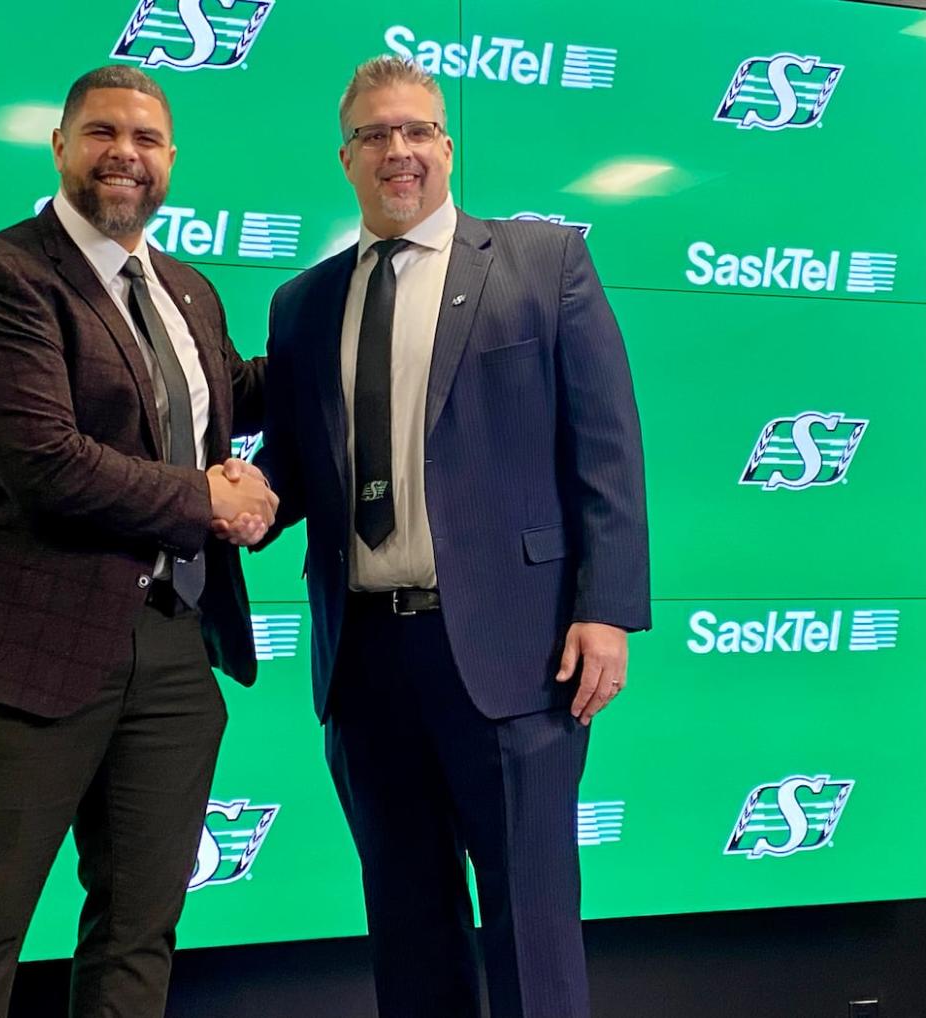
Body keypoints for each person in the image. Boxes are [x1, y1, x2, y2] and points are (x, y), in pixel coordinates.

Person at [253, 56, 650, 1018]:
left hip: (517, 658)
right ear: (345, 158)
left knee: (532, 925)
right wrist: (231, 497)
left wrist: (606, 612)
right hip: (365, 661)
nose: (400, 150)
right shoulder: (302, 306)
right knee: (407, 925)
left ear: (447, 146)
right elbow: (296, 469)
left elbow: (606, 445)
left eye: (418, 130)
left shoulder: (543, 263)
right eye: (376, 135)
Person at [0, 65, 276, 1018]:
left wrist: (362, 317)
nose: (127, 155)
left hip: (171, 647)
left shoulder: (186, 289)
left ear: (172, 161)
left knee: (138, 929)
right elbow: (50, 464)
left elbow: (230, 396)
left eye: (147, 140)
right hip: (24, 651)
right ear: (61, 146)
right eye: (104, 133)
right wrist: (209, 500)